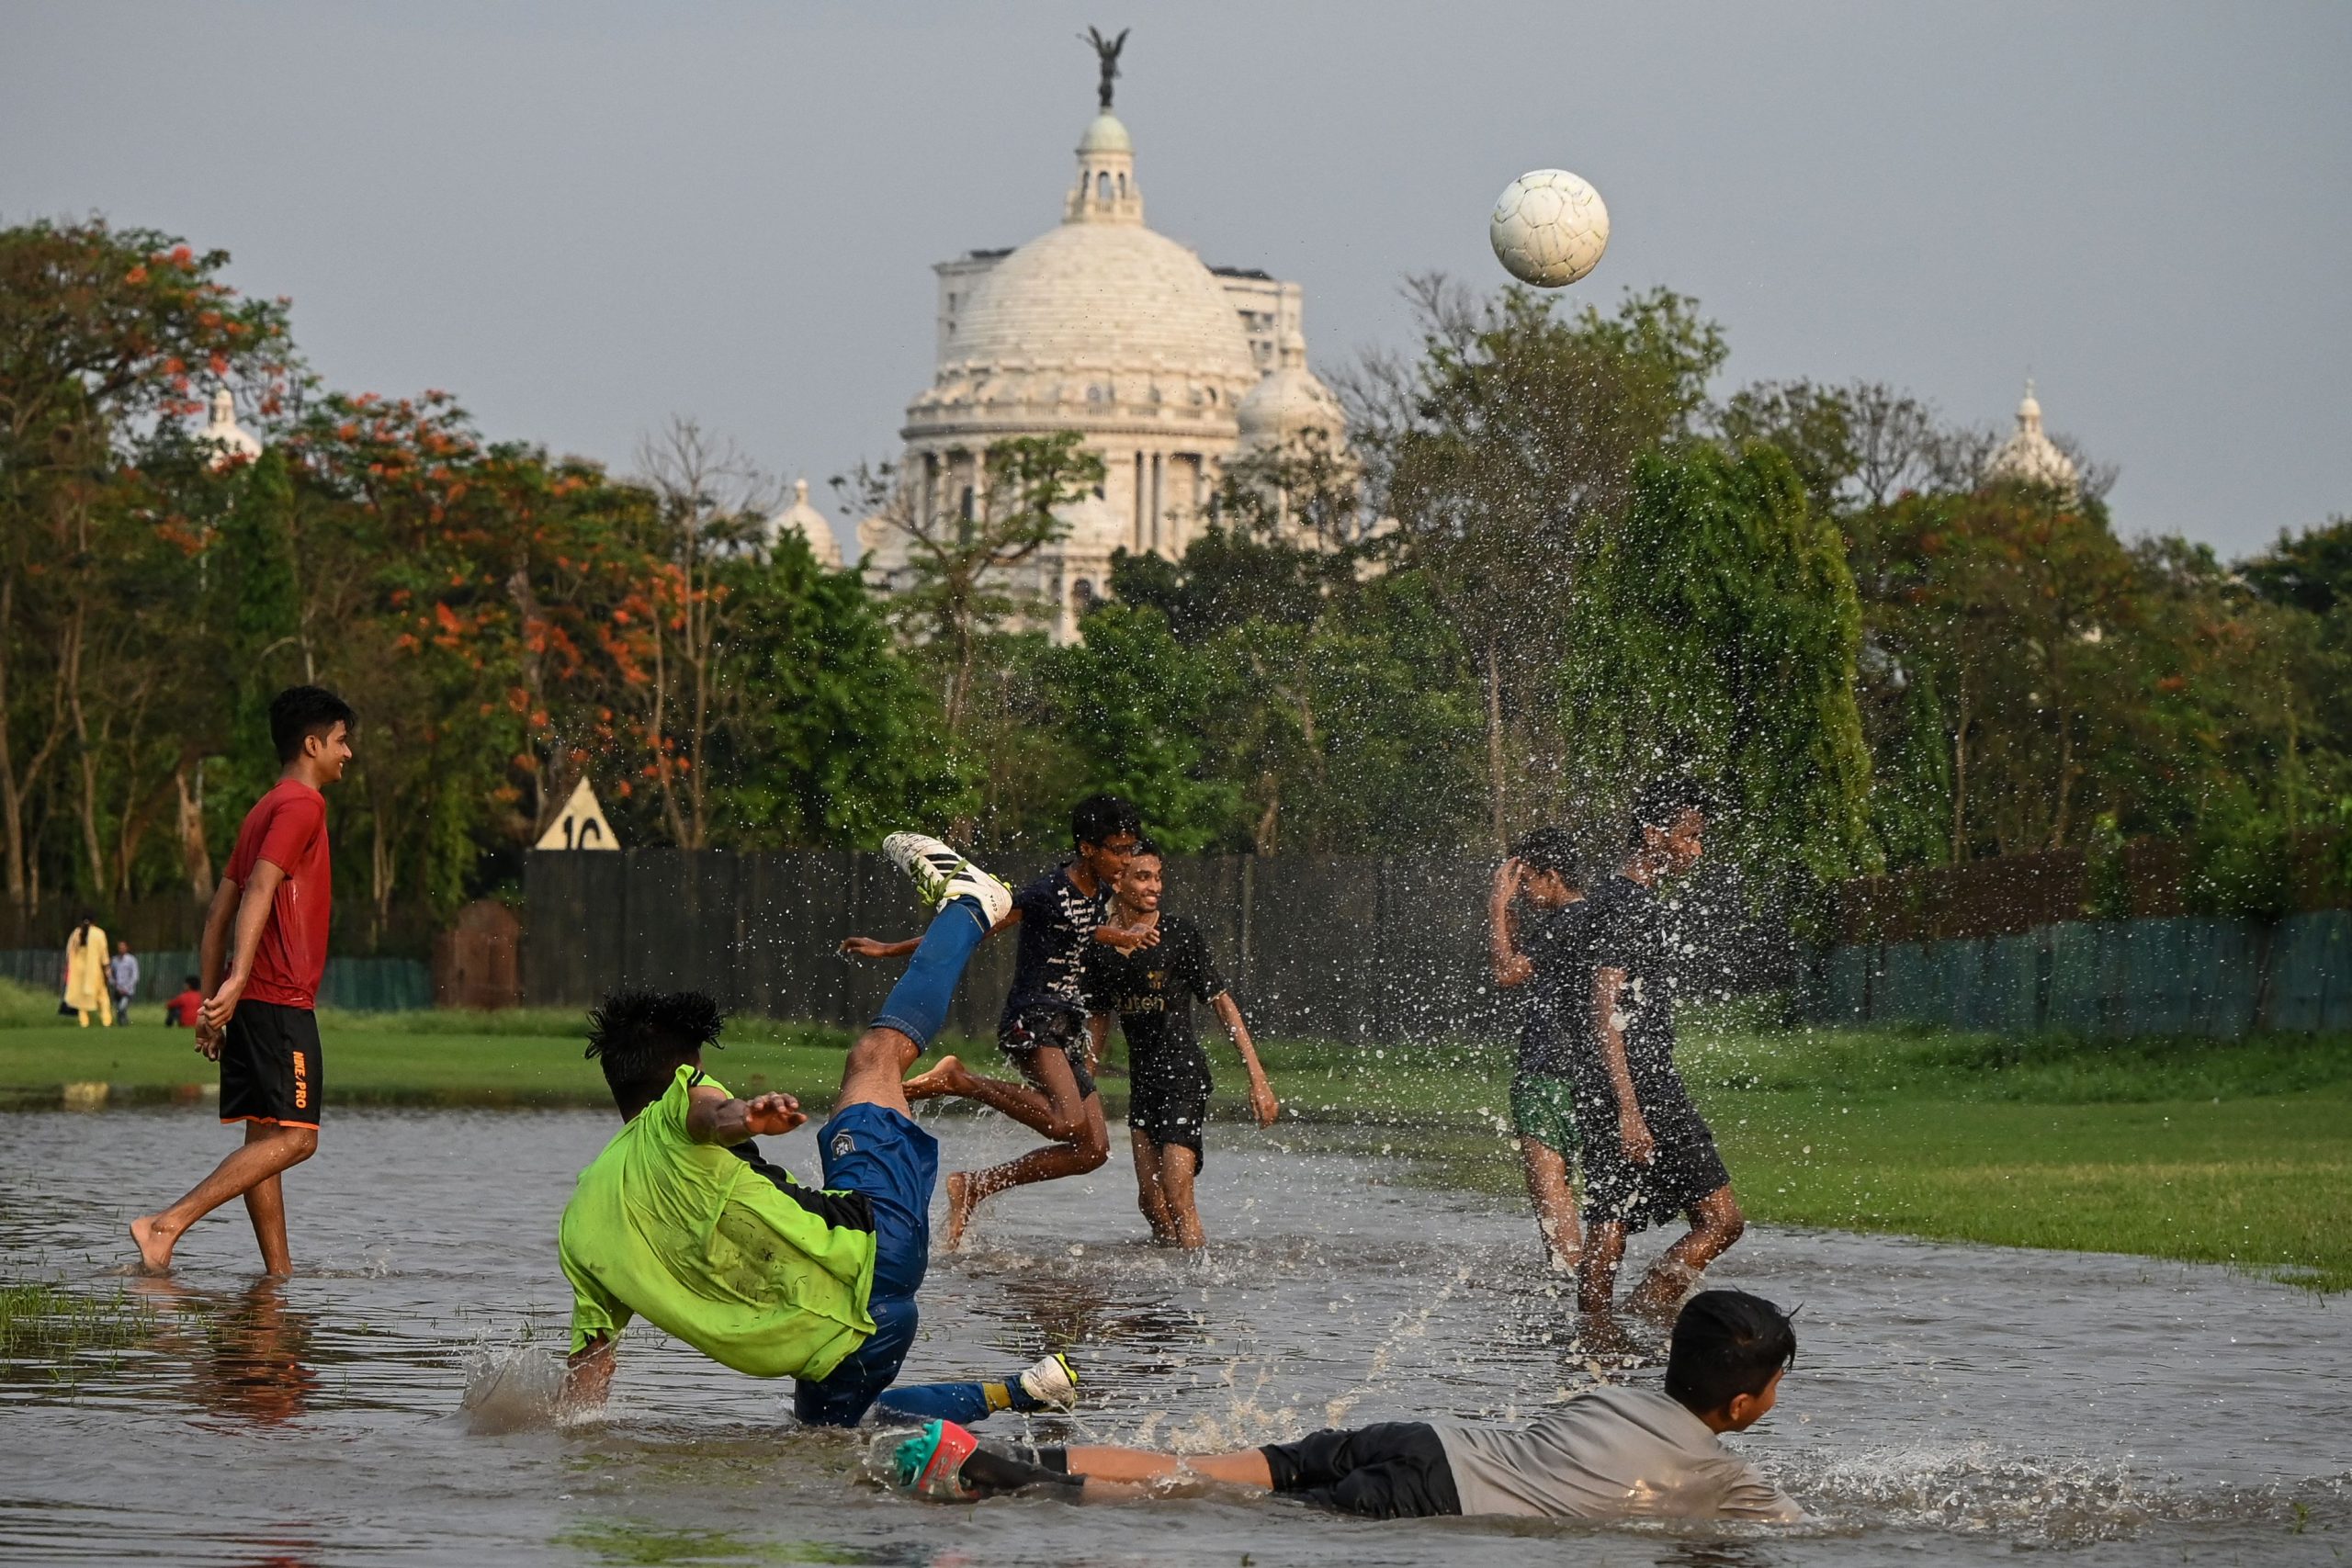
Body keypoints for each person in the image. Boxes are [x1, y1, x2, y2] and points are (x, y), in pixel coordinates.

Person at [559, 833, 1078, 1429]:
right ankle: (970, 903)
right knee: (872, 1060)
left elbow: (586, 1379)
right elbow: (709, 1113)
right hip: (876, 1250)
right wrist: (746, 1116)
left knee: (828, 1439)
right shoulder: (681, 1103)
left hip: (838, 1340)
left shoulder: (585, 1224)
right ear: (683, 1071)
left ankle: (1024, 1389)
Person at [897, 1289, 1805, 1525]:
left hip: (1417, 1438)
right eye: (1772, 1387)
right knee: (1197, 1507)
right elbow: (1811, 1531)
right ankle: (988, 1477)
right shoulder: (1719, 1477)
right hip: (1429, 1501)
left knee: (1204, 1473)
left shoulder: (1616, 1394)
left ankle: (984, 1455)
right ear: (1739, 1402)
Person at [843, 794, 1152, 1248]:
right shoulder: (1045, 892)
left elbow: (1081, 929)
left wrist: (1122, 935)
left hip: (1066, 1026)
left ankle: (976, 1185)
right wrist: (891, 949)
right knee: (1067, 1123)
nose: (1126, 860)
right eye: (1119, 850)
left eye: (1131, 849)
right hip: (1033, 1019)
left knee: (1092, 1151)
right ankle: (959, 1079)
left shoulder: (1101, 891)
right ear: (1088, 848)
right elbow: (975, 928)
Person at [130, 686, 355, 1276]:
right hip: (278, 999)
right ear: (312, 745)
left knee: (265, 1142)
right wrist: (238, 983)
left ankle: (277, 1277)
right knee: (300, 1138)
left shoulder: (262, 809)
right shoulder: (304, 806)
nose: (347, 752)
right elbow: (258, 890)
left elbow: (216, 915)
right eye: (340, 740)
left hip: (253, 1000)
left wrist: (216, 998)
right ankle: (166, 1225)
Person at [1573, 777, 1744, 1318]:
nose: (1697, 849)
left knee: (1609, 1219)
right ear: (1653, 835)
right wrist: (1629, 1109)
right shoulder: (1632, 907)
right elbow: (1605, 1008)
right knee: (1721, 1221)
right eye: (1690, 836)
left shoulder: (1609, 896)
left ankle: (1593, 1341)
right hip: (1641, 1083)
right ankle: (1642, 1322)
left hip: (1606, 1080)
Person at [1080, 840, 1278, 1247]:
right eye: (1143, 876)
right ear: (1118, 882)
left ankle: (1197, 1291)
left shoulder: (1179, 936)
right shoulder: (1101, 950)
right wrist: (1085, 1083)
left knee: (1178, 1196)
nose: (1155, 886)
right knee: (1151, 1203)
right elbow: (1099, 1020)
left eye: (1158, 876)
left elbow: (1223, 1003)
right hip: (1144, 1082)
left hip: (1184, 1077)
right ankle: (1161, 1298)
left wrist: (1257, 1078)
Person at [1489, 827, 1591, 1275]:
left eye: (1526, 881)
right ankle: (1590, 1293)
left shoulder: (1565, 922)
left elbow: (1507, 973)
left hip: (1547, 1075)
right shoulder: (1594, 918)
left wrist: (1495, 907)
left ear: (1551, 876)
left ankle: (1569, 1294)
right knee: (1577, 1195)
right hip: (1587, 1075)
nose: (1524, 892)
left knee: (1553, 1200)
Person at [62, 915, 113, 1028]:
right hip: (94, 971)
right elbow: (103, 954)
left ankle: (84, 1023)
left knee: (82, 999)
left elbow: (69, 952)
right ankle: (106, 1021)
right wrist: (107, 969)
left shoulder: (76, 933)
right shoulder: (99, 934)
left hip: (79, 973)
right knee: (102, 996)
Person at [109, 939, 141, 1026]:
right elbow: (110, 975)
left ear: (126, 948)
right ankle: (122, 1025)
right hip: (117, 990)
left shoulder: (131, 960)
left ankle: (125, 1023)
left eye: (123, 947)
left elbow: (135, 976)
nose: (121, 949)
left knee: (122, 1008)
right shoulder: (114, 960)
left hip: (128, 990)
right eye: (119, 947)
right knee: (118, 1010)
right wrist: (114, 984)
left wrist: (127, 988)